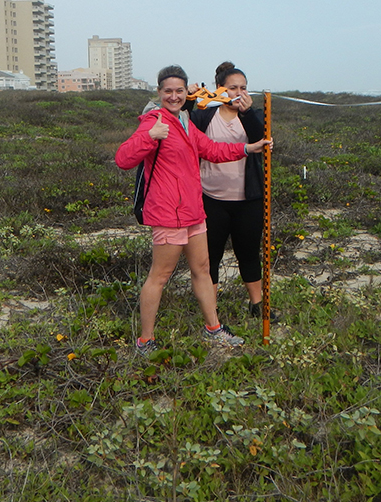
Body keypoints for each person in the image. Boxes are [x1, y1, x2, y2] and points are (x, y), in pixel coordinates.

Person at [115, 65, 272, 355]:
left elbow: (212, 149)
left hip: (193, 210)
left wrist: (249, 149)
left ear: (186, 92)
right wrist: (150, 135)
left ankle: (213, 328)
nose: (174, 96)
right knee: (160, 276)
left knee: (202, 269)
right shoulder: (154, 120)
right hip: (167, 212)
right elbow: (123, 158)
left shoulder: (187, 123)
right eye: (167, 91)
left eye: (179, 91)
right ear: (159, 93)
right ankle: (145, 340)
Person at [189, 62, 268, 319]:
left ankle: (257, 305)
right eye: (232, 88)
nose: (239, 93)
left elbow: (262, 140)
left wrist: (246, 114)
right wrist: (190, 98)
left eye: (244, 88)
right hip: (210, 198)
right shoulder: (205, 114)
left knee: (248, 253)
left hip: (249, 198)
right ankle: (210, 311)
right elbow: (185, 129)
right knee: (209, 257)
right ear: (219, 89)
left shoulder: (254, 115)